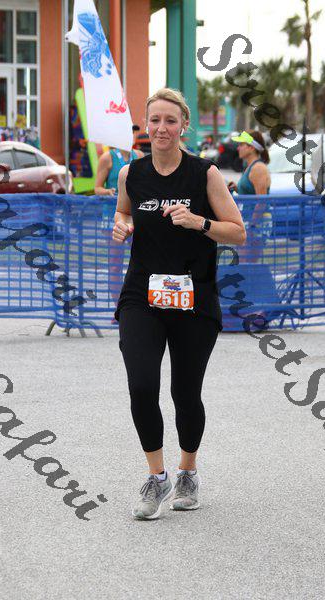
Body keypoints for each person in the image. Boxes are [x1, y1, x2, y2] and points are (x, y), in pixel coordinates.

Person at [112, 87, 246, 520]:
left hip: (194, 297)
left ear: (184, 125)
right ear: (146, 124)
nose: (162, 128)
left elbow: (238, 231)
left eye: (170, 120)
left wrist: (199, 222)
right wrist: (122, 224)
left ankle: (188, 471)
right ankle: (157, 477)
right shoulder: (131, 173)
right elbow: (125, 212)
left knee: (185, 394)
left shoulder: (205, 174)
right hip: (142, 295)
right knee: (141, 386)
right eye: (155, 120)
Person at [95, 144, 144, 316]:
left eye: (132, 132)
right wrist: (107, 191)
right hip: (112, 218)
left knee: (140, 262)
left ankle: (138, 306)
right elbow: (97, 188)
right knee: (115, 265)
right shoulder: (107, 157)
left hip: (137, 217)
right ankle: (119, 309)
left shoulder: (139, 155)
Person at [229, 130, 271, 263]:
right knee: (244, 264)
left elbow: (261, 201)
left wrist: (251, 226)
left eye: (241, 145)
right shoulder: (249, 167)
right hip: (248, 222)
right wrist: (237, 188)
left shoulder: (258, 168)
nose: (238, 148)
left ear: (252, 148)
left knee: (247, 264)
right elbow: (250, 191)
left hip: (256, 224)